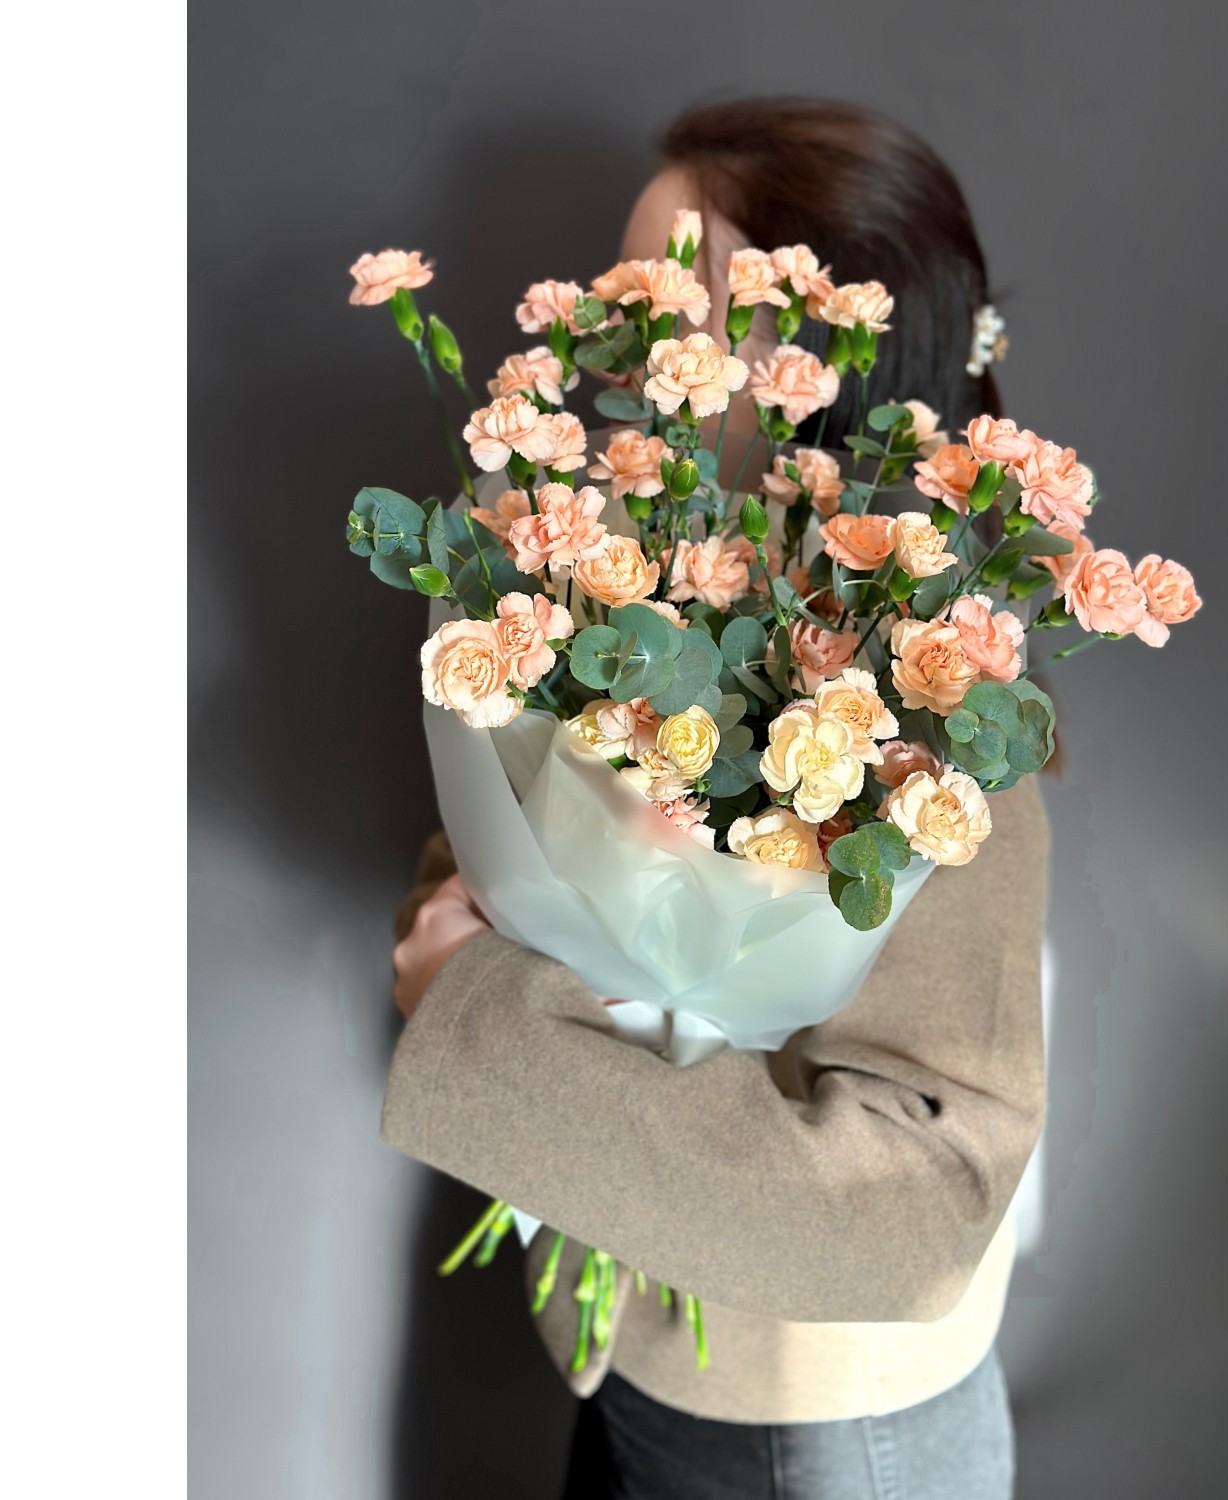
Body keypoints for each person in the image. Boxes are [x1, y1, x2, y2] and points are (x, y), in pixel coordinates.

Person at [384, 97, 1046, 1500]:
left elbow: (919, 1194)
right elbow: (505, 839)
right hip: (622, 1343)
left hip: (816, 1426)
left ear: (834, 355)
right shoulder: (611, 572)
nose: (626, 350)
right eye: (621, 298)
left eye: (677, 308)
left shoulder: (937, 693)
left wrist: (473, 1006)